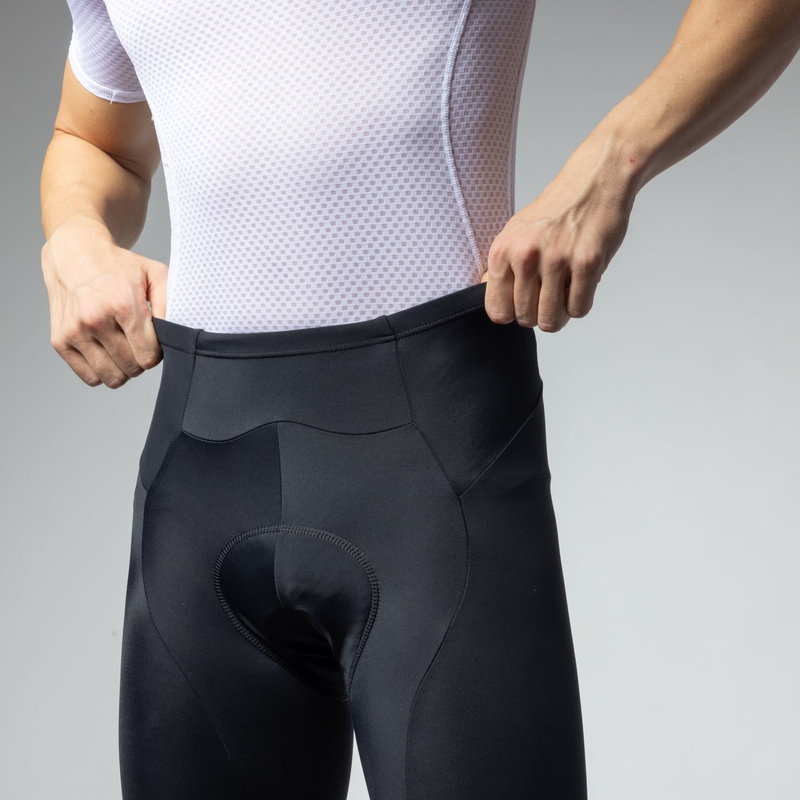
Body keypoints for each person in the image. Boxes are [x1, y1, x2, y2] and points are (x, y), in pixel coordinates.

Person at [39, 1, 800, 798]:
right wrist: (78, 240)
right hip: (198, 477)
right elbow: (93, 141)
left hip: (432, 464)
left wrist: (611, 163)